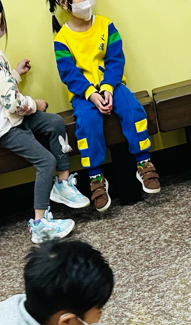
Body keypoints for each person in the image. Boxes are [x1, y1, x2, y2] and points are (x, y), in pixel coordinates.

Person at [0, 0, 88, 244]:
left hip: (14, 118)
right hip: (6, 128)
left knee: (55, 123)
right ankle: (40, 223)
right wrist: (35, 104)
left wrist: (15, 74)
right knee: (46, 161)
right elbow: (12, 103)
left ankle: (62, 184)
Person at [47, 0, 160, 212]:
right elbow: (69, 73)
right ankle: (95, 177)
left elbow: (116, 60)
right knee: (87, 123)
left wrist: (108, 87)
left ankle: (144, 161)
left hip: (113, 85)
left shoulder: (106, 25)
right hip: (83, 95)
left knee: (132, 109)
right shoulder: (61, 39)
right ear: (63, 3)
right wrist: (91, 94)